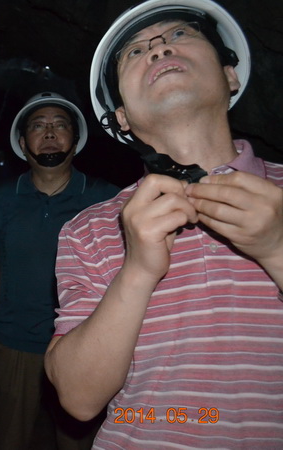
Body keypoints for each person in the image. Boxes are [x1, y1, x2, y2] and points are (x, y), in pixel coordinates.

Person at [44, 0, 283, 448]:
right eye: (134, 52)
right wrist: (137, 271)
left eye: (180, 34)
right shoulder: (88, 229)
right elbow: (78, 398)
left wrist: (278, 249)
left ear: (230, 75)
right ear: (122, 118)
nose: (159, 49)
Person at [0, 92, 119, 450]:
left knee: (79, 438)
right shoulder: (3, 197)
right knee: (12, 434)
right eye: (38, 126)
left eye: (60, 125)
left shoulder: (107, 199)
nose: (50, 132)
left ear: (76, 140)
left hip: (85, 342)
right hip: (17, 339)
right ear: (23, 145)